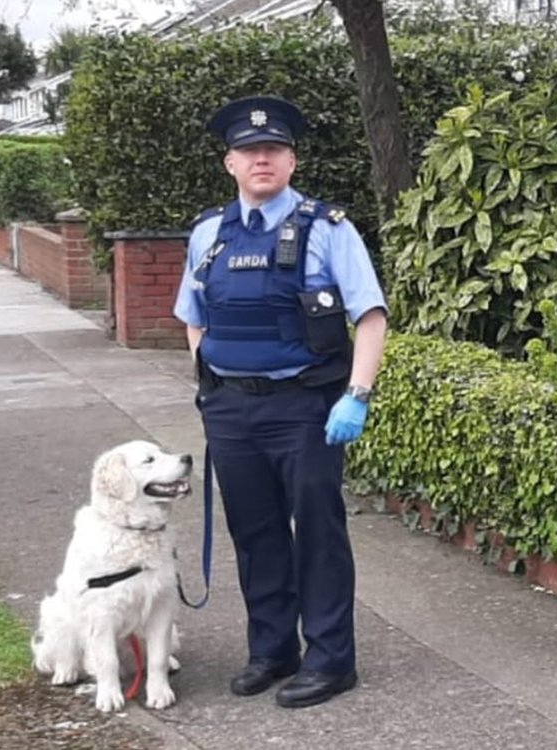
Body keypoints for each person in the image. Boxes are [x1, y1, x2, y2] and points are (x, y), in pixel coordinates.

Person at [173, 95, 389, 709]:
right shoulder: (208, 233)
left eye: (272, 150)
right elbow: (194, 317)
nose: (260, 159)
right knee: (256, 535)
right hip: (233, 411)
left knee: (318, 535)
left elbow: (370, 317)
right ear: (230, 164)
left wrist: (357, 395)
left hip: (306, 409)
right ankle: (271, 650)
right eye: (249, 151)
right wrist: (208, 381)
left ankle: (330, 660)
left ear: (291, 161)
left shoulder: (328, 228)